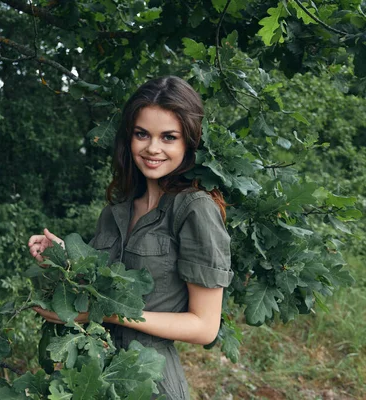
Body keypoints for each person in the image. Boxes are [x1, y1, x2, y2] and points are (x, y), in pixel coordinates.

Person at [27, 76, 233, 399]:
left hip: (151, 383)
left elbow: (205, 326)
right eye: (142, 134)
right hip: (95, 374)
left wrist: (111, 312)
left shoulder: (194, 209)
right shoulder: (117, 211)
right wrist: (64, 257)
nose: (153, 148)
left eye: (169, 137)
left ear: (188, 142)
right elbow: (101, 283)